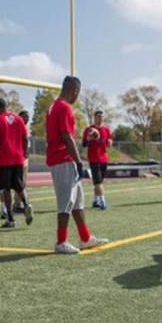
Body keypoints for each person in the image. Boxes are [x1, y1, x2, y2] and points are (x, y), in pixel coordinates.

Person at [46, 76, 107, 254]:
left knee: (78, 201)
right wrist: (79, 161)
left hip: (64, 159)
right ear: (75, 91)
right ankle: (61, 241)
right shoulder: (63, 107)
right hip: (63, 159)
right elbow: (66, 136)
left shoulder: (54, 106)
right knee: (66, 202)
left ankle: (85, 237)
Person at [0, 97, 34, 228]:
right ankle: (26, 204)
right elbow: (25, 139)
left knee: (6, 189)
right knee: (19, 186)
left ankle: (10, 217)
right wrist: (23, 152)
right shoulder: (18, 119)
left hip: (4, 159)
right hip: (18, 158)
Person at [83, 110, 112, 210]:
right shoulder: (89, 129)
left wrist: (109, 143)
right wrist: (88, 139)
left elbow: (108, 143)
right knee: (98, 182)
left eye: (102, 116)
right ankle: (102, 202)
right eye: (99, 116)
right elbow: (84, 144)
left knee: (99, 182)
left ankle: (95, 200)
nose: (101, 118)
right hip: (93, 158)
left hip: (104, 159)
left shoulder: (106, 130)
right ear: (94, 118)